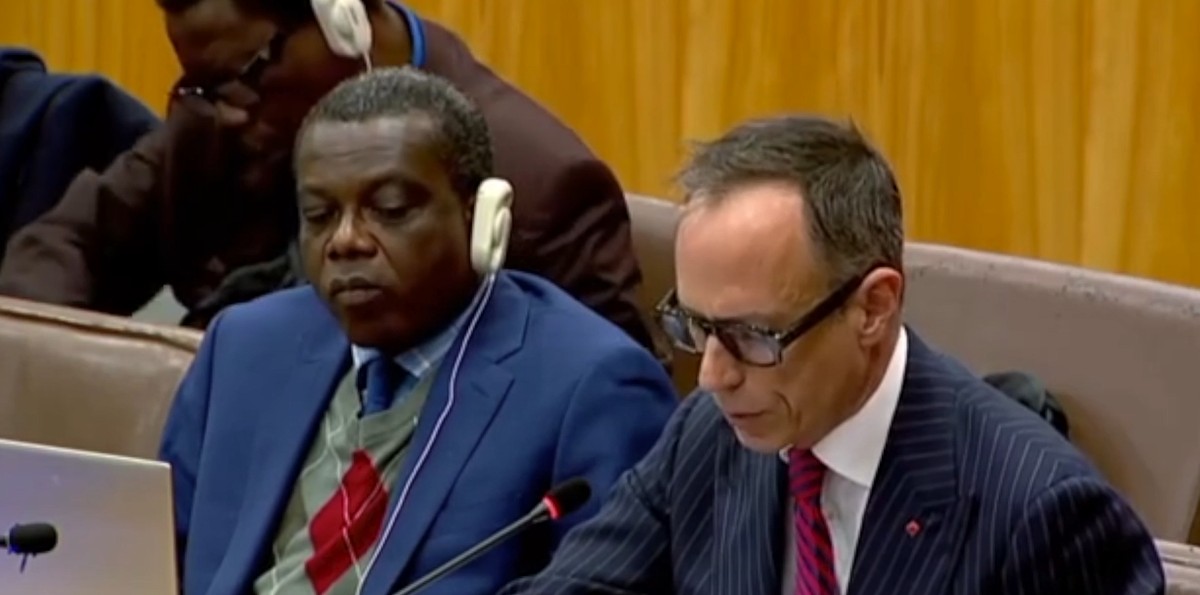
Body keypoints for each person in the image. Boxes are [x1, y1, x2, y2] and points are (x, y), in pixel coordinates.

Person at [501, 115, 1164, 595]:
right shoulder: (706, 435)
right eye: (694, 326)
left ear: (873, 307)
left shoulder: (1041, 513)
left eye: (753, 335)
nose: (712, 374)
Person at [158, 67, 677, 595]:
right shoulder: (244, 347)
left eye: (390, 210)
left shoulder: (592, 387)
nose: (345, 241)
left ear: (481, 217)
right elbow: (150, 561)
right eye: (319, 215)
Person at [0, 0, 657, 356]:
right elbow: (67, 245)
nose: (229, 111)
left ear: (342, 20)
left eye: (246, 74)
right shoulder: (225, 116)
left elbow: (617, 408)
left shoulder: (538, 184)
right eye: (203, 85)